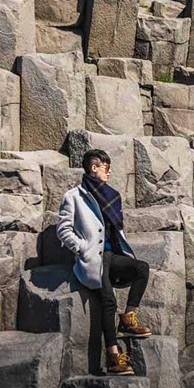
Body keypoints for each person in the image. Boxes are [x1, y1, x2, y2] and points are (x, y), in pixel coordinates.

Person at [56, 148, 152, 375]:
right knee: (108, 300)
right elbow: (63, 229)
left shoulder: (111, 195)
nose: (109, 173)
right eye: (106, 168)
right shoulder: (74, 196)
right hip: (93, 258)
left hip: (112, 255)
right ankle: (113, 358)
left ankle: (128, 318)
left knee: (141, 269)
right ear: (94, 167)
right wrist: (81, 248)